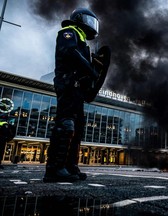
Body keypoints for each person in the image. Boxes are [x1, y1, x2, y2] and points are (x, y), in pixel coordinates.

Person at [43, 8, 110, 182]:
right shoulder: (69, 32)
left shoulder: (82, 40)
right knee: (66, 124)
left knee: (78, 128)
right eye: (89, 20)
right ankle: (54, 168)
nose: (91, 26)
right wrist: (90, 69)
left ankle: (70, 166)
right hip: (67, 83)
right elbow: (70, 53)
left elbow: (85, 67)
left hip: (77, 88)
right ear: (79, 19)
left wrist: (93, 73)